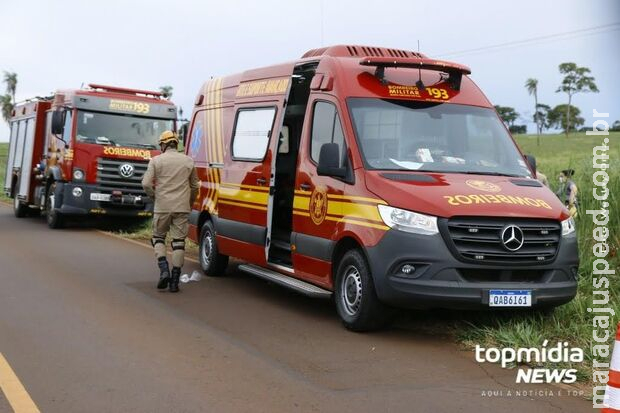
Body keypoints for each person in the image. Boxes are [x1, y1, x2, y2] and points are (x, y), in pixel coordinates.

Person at [142, 131, 200, 292]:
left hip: (162, 207)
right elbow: (195, 186)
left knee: (158, 238)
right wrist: (189, 202)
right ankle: (175, 282)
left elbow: (146, 184)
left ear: (164, 144)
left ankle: (164, 270)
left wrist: (155, 197)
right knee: (178, 243)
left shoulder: (156, 161)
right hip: (182, 207)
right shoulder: (188, 161)